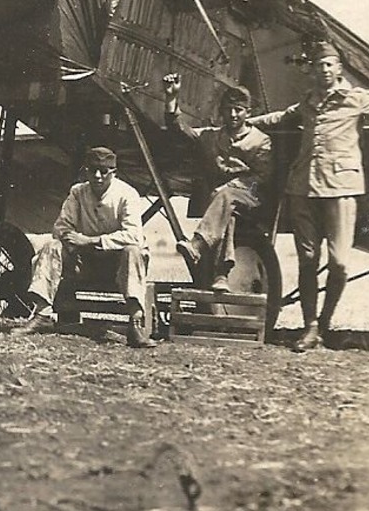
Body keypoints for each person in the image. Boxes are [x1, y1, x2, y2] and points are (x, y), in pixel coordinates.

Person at [243, 39, 369, 352]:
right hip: (303, 188)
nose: (325, 69)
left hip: (342, 189)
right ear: (314, 70)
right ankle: (310, 327)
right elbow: (281, 118)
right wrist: (244, 121)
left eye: (330, 64)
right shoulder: (308, 101)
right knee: (307, 260)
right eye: (320, 65)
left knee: (340, 263)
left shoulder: (356, 99)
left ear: (339, 69)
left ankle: (325, 322)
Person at [24, 147, 155, 347]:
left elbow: (133, 235)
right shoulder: (78, 193)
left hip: (118, 265)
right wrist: (73, 241)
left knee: (133, 250)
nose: (98, 176)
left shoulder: (127, 194)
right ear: (86, 171)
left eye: (104, 171)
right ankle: (42, 315)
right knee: (52, 246)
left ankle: (135, 322)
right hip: (85, 262)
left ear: (114, 172)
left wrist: (90, 241)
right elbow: (61, 227)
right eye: (93, 169)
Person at [163, 75, 274, 288]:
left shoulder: (261, 141)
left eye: (239, 110)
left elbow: (262, 178)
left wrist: (233, 188)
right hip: (222, 205)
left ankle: (197, 245)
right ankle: (221, 276)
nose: (233, 114)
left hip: (252, 195)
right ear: (221, 111)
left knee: (225, 197)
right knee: (227, 214)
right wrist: (171, 98)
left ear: (247, 113)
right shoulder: (211, 137)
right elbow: (180, 130)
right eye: (229, 109)